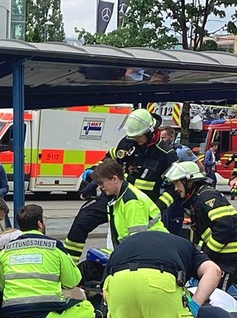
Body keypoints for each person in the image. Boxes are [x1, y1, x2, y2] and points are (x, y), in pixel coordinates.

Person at [62, 109, 176, 263]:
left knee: (129, 241)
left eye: (138, 136)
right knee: (83, 218)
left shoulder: (165, 154)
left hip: (138, 206)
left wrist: (158, 206)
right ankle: (70, 265)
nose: (135, 138)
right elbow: (109, 160)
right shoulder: (128, 142)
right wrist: (94, 172)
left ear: (150, 132)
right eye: (133, 136)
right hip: (113, 196)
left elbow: (174, 187)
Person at [0, 204, 94, 318]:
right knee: (87, 308)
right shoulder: (54, 248)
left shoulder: (5, 251)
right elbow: (73, 281)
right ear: (40, 224)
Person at [164, 160, 237, 288]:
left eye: (177, 183)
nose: (176, 188)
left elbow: (224, 227)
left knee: (216, 293)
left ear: (189, 182)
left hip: (233, 254)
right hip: (226, 253)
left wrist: (208, 255)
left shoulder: (207, 196)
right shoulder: (197, 198)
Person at [90, 159, 167, 247]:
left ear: (114, 179)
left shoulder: (131, 201)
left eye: (102, 183)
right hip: (151, 246)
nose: (101, 187)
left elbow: (138, 239)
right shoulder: (118, 198)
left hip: (154, 248)